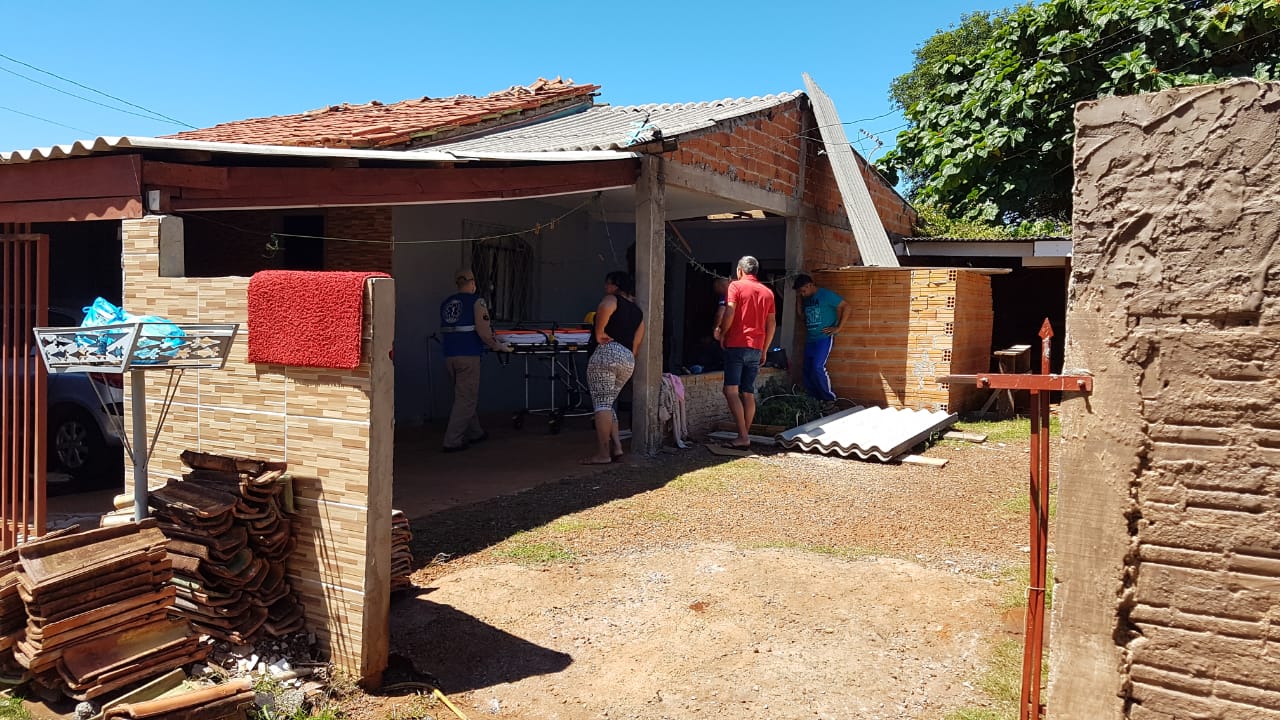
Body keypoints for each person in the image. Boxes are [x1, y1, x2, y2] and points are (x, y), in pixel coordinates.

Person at [439, 269, 512, 453]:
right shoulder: (477, 302)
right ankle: (452, 441)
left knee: (462, 396)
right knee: (466, 399)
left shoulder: (447, 303)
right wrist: (498, 346)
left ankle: (475, 432)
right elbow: (483, 330)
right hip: (468, 355)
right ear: (472, 283)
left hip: (449, 355)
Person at [582, 271, 645, 465]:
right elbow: (636, 344)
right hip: (627, 358)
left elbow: (604, 307)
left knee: (601, 404)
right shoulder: (638, 311)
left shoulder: (612, 299)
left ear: (616, 285)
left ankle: (603, 453)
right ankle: (616, 447)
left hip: (607, 353)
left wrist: (599, 332)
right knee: (608, 402)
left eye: (608, 284)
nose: (605, 288)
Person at [716, 256, 776, 449]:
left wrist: (723, 332)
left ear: (740, 271)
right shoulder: (768, 292)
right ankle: (744, 435)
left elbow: (730, 311)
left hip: (738, 343)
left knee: (730, 390)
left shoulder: (736, 286)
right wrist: (765, 349)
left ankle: (742, 436)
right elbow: (772, 323)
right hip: (757, 347)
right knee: (747, 392)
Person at [793, 273, 847, 408]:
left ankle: (829, 398)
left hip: (823, 338)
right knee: (807, 368)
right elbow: (801, 316)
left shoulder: (825, 295)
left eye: (803, 290)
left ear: (810, 285)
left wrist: (838, 328)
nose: (803, 294)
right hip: (810, 338)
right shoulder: (806, 298)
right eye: (800, 292)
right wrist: (799, 298)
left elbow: (846, 306)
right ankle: (813, 398)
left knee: (818, 366)